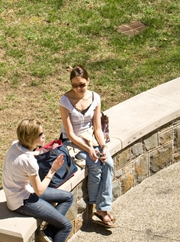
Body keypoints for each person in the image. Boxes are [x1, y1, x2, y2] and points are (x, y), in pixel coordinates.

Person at [59, 65, 115, 228]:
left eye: (82, 84)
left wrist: (103, 147)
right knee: (95, 164)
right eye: (74, 85)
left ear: (88, 81)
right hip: (73, 142)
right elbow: (69, 134)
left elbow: (97, 128)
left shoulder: (95, 97)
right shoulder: (65, 100)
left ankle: (101, 207)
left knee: (109, 163)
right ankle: (101, 209)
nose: (78, 88)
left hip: (91, 137)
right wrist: (89, 150)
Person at [2, 119, 73, 242]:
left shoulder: (15, 145)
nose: (44, 136)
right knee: (66, 226)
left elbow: (27, 155)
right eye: (40, 135)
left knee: (68, 197)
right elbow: (39, 191)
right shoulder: (28, 161)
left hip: (19, 192)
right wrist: (53, 170)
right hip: (22, 202)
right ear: (30, 137)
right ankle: (51, 233)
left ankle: (48, 233)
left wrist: (39, 151)